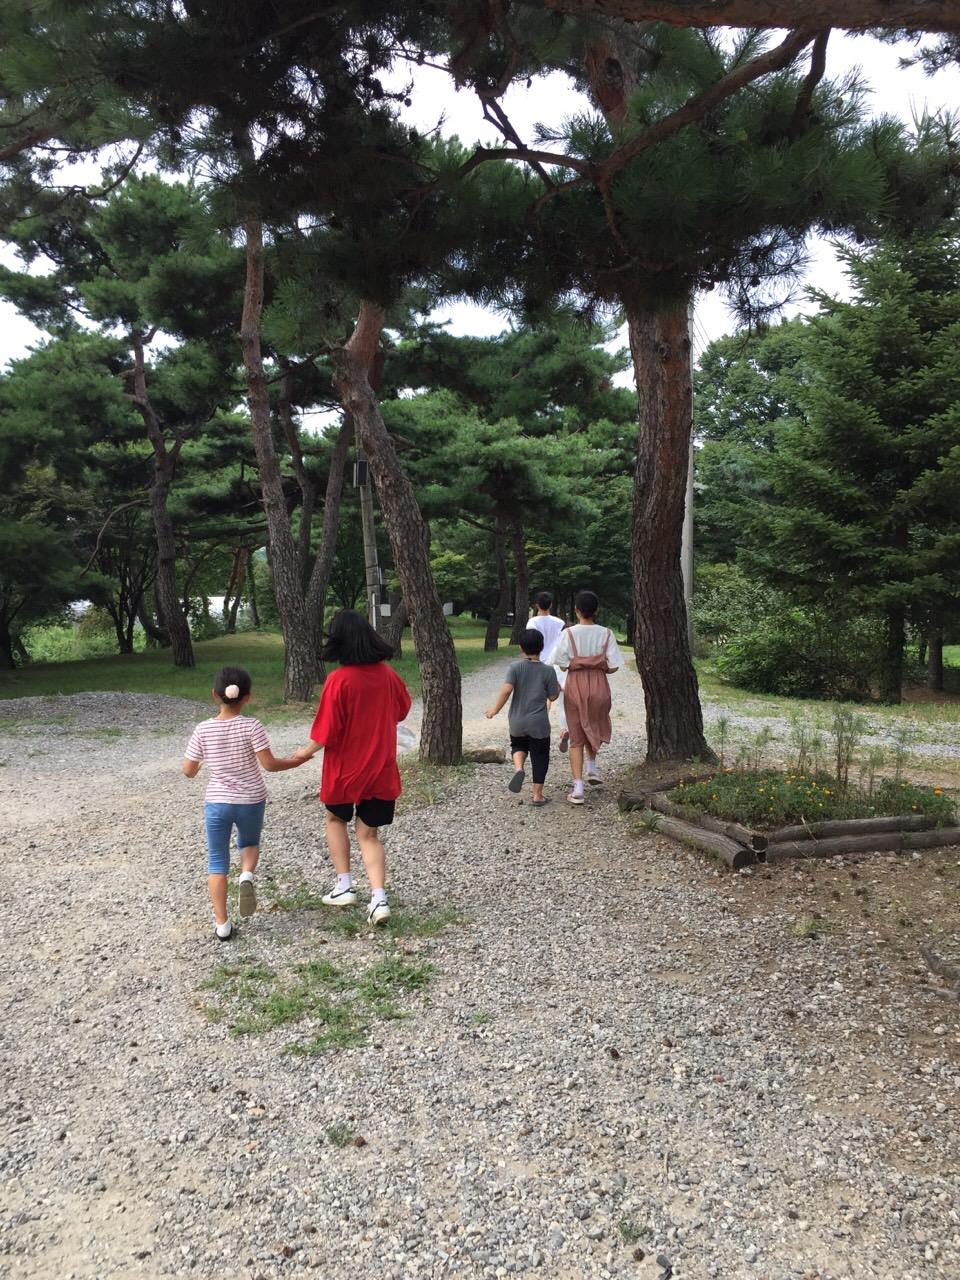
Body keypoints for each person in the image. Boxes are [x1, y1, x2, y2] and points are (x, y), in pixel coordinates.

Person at [292, 610, 412, 925]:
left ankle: (344, 886)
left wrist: (304, 753)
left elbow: (327, 731)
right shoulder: (388, 675)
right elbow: (402, 710)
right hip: (381, 770)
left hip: (343, 771)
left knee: (335, 819)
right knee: (369, 835)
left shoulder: (338, 680)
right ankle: (379, 899)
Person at [183, 666, 302, 942]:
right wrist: (297, 760)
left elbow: (188, 770)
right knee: (249, 843)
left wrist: (200, 764)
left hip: (217, 803)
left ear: (214, 695)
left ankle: (222, 924)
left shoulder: (203, 729)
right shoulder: (252, 726)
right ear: (247, 697)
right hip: (251, 800)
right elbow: (269, 764)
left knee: (216, 860)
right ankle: (246, 874)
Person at [546, 589, 623, 806]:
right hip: (599, 685)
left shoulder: (569, 634)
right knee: (594, 723)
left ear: (577, 610)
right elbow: (614, 667)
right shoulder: (606, 633)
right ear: (596, 610)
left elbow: (560, 663)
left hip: (575, 685)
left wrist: (577, 663)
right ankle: (592, 766)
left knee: (576, 736)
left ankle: (578, 788)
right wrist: (597, 664)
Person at [484, 628, 560, 806]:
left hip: (517, 720)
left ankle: (519, 768)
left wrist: (495, 710)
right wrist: (556, 688)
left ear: (521, 647)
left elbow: (506, 691)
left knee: (518, 745)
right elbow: (552, 697)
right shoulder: (548, 671)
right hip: (538, 722)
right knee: (540, 756)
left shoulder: (515, 667)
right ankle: (537, 796)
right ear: (542, 647)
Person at [527, 591, 569, 753]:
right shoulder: (559, 622)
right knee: (562, 701)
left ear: (537, 605)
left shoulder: (533, 622)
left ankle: (538, 731)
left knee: (541, 699)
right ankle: (564, 730)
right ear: (551, 604)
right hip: (557, 663)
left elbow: (530, 642)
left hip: (540, 662)